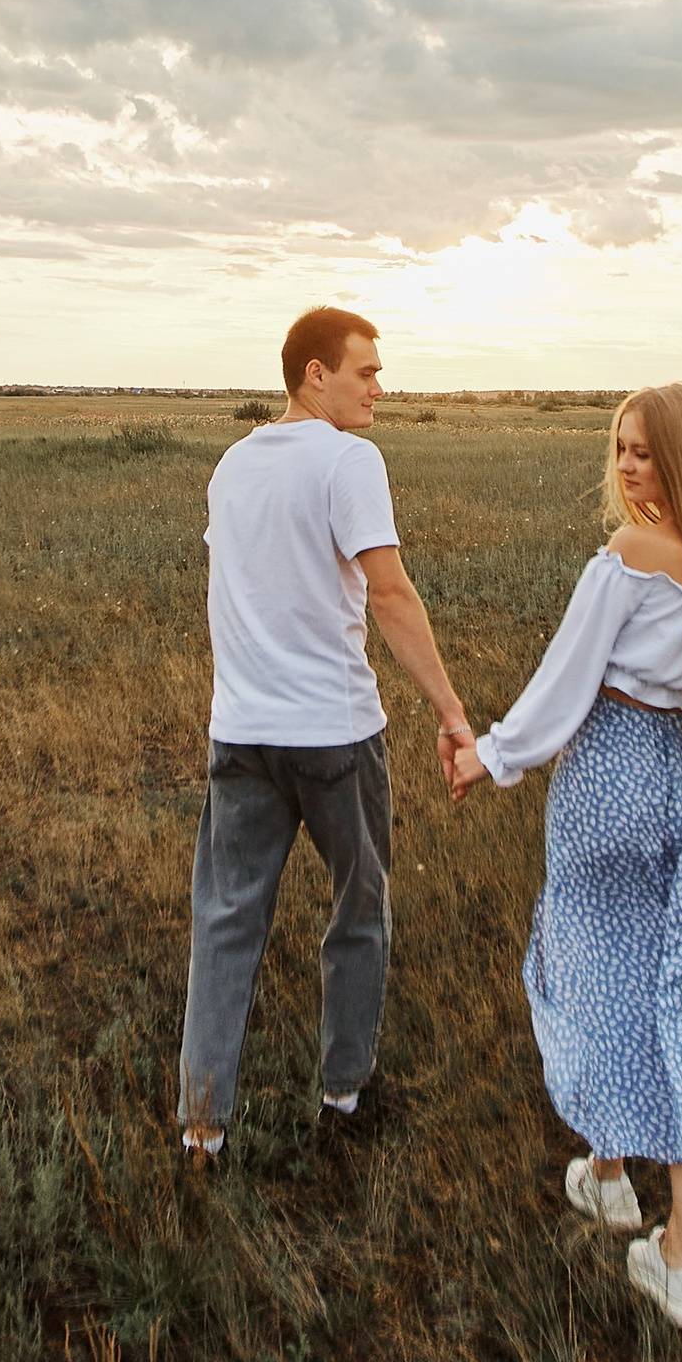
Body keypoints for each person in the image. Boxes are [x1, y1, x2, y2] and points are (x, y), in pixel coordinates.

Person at [449, 383, 682, 1330]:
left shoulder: (629, 559)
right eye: (620, 449)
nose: (627, 468)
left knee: (589, 977)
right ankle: (670, 1239)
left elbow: (563, 685)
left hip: (609, 783)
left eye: (646, 452)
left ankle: (626, 1187)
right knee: (677, 996)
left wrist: (489, 755)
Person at [177, 306, 472, 1163]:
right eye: (366, 371)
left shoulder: (233, 466)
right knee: (359, 913)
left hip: (241, 733)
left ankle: (202, 1131)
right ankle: (343, 1101)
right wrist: (453, 715)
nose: (379, 386)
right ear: (315, 373)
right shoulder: (351, 460)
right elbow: (389, 594)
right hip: (335, 736)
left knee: (226, 925)